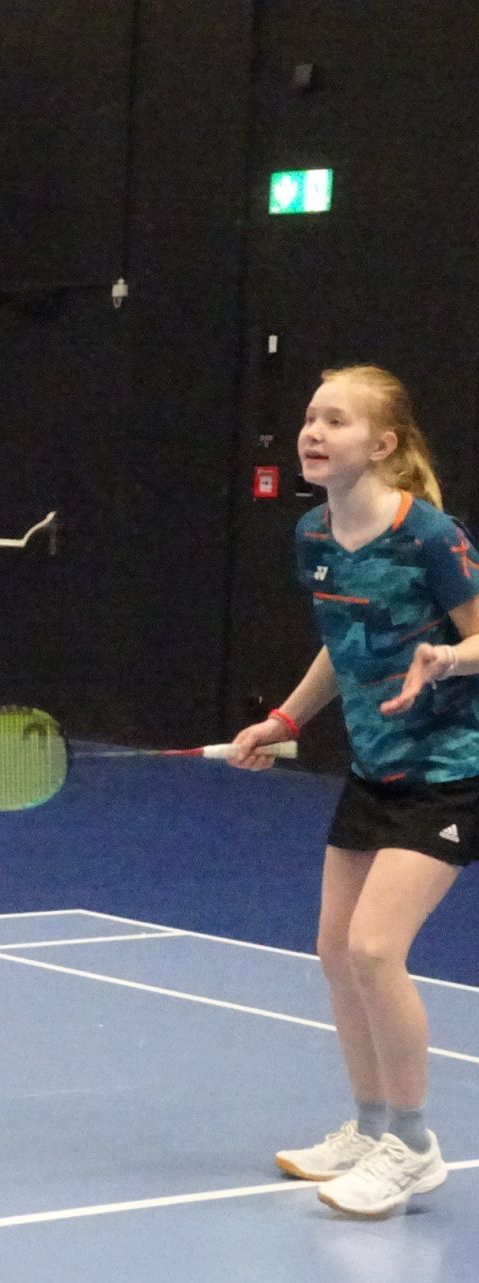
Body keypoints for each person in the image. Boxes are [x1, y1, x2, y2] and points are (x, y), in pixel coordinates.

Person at [232, 365, 479, 1217]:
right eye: (309, 417)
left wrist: (448, 656)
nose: (313, 431)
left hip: (453, 768)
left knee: (376, 949)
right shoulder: (314, 535)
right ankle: (371, 1126)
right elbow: (343, 646)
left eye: (335, 420)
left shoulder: (431, 536)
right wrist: (285, 722)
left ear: (382, 445)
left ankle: (413, 1145)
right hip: (374, 768)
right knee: (336, 952)